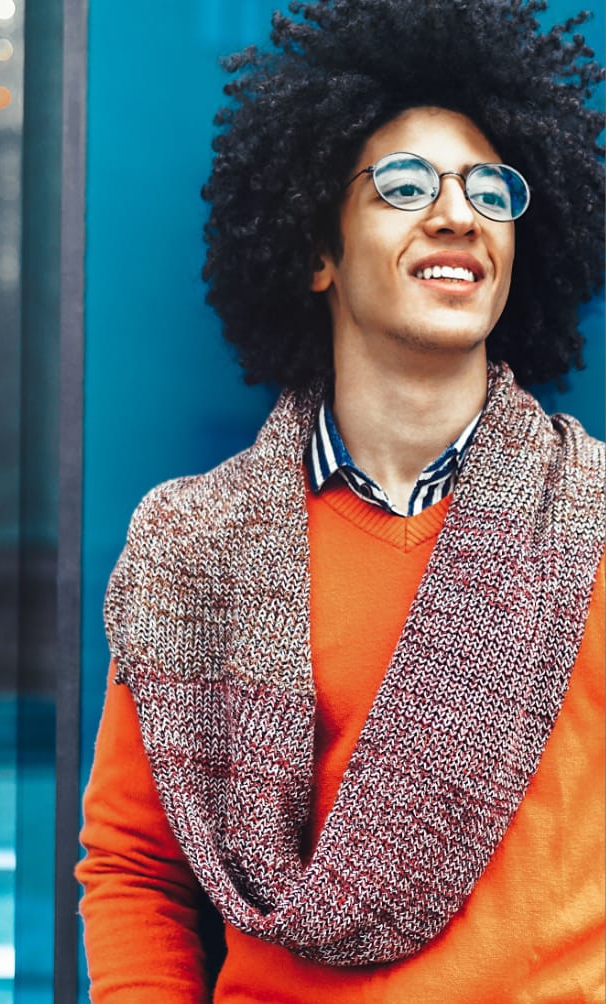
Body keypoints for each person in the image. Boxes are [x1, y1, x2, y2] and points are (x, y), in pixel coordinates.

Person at [76, 1, 606, 1000]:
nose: (458, 214)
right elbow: (136, 871)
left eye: (490, 190)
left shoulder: (595, 519)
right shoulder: (195, 549)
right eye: (405, 185)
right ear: (316, 251)